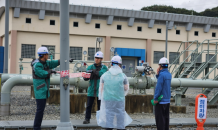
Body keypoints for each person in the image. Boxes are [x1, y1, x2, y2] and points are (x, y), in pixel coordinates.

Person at [31, 47, 73, 130]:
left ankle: (37, 127)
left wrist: (65, 60)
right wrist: (50, 71)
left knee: (41, 110)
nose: (48, 56)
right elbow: (42, 73)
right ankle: (36, 128)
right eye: (47, 54)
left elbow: (53, 63)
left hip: (43, 90)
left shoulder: (44, 63)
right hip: (40, 91)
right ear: (44, 55)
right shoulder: (37, 65)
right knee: (40, 110)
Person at [97, 56, 132, 130]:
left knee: (109, 116)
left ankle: (109, 128)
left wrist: (101, 97)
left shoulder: (104, 75)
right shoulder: (123, 76)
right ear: (120, 65)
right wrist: (121, 93)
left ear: (111, 64)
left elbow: (101, 88)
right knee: (120, 116)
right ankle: (120, 128)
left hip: (107, 99)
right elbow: (126, 88)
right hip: (119, 100)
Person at [83, 51, 108, 124]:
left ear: (101, 59)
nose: (96, 59)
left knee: (100, 106)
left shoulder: (104, 67)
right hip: (91, 89)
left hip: (100, 90)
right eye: (95, 58)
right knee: (89, 106)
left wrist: (93, 72)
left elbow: (101, 74)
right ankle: (87, 119)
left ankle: (101, 120)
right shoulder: (90, 66)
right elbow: (86, 77)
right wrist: (86, 75)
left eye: (98, 58)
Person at [153, 57, 172, 130]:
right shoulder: (169, 75)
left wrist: (155, 98)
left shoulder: (162, 75)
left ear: (160, 66)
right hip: (167, 100)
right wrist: (158, 74)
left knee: (160, 120)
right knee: (166, 119)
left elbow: (159, 88)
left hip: (161, 101)